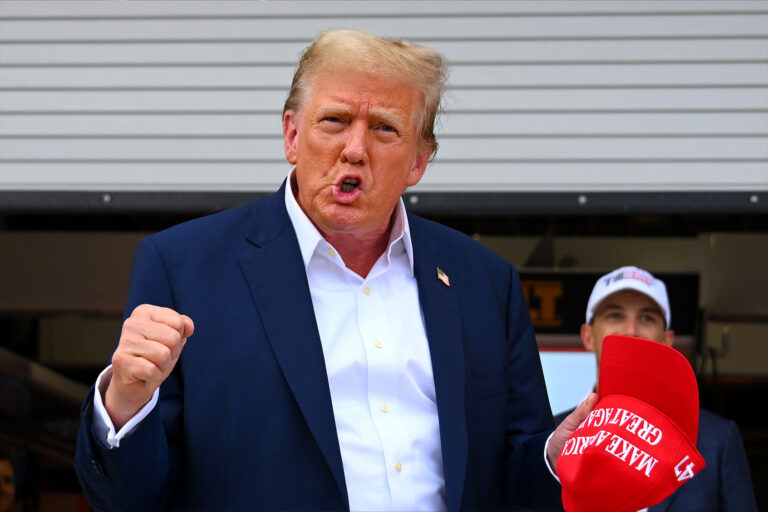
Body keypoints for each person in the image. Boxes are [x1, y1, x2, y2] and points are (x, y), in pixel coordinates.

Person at [74, 29, 590, 511]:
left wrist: (556, 454)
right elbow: (126, 500)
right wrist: (124, 402)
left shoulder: (483, 282)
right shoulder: (184, 266)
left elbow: (513, 477)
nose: (355, 150)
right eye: (335, 121)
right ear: (292, 135)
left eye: (385, 129)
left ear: (418, 162)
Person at [554, 265, 758, 512]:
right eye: (615, 315)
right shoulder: (552, 437)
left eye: (647, 318)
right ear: (588, 336)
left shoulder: (717, 440)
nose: (631, 330)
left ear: (667, 340)